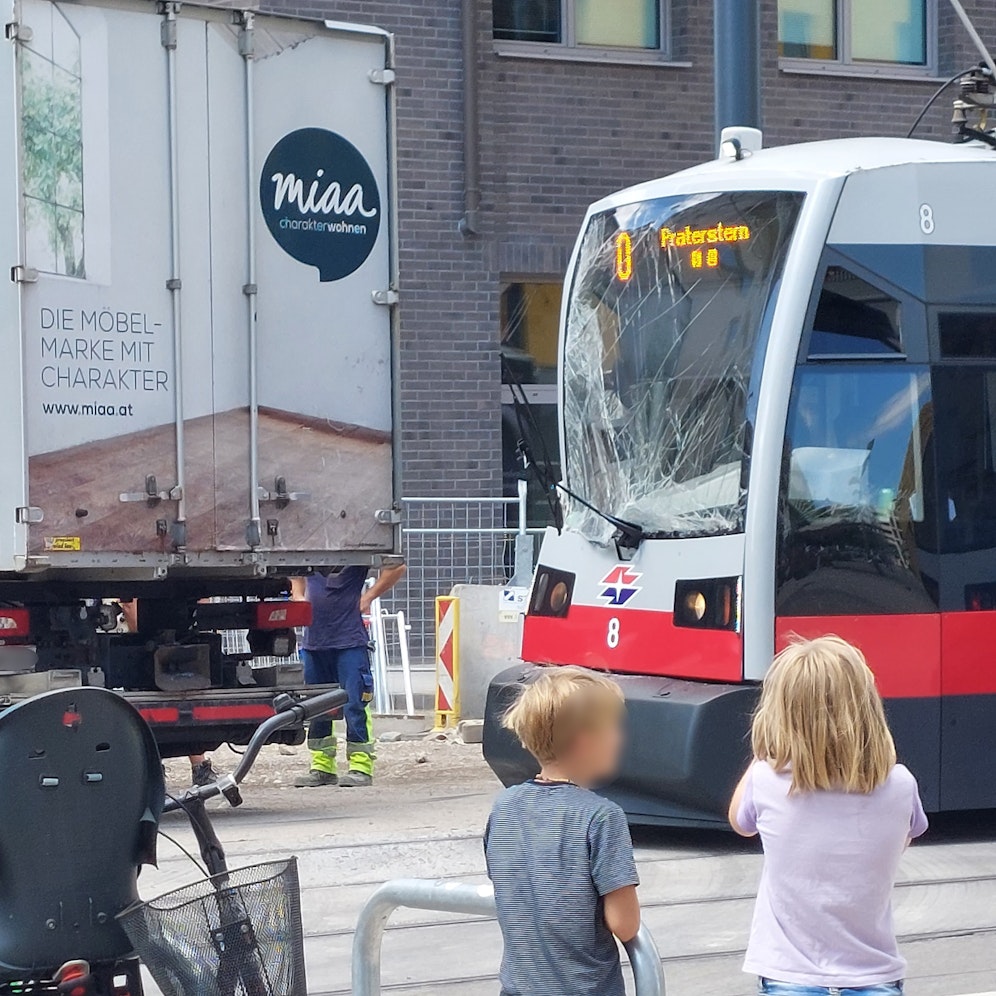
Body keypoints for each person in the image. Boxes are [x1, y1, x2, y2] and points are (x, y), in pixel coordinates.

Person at [729, 635, 929, 996]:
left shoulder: (765, 780)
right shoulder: (900, 784)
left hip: (789, 973)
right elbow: (904, 837)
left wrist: (765, 753)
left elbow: (739, 822)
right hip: (874, 973)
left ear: (781, 713)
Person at [484, 666, 641, 996]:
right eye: (614, 728)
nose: (620, 738)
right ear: (585, 741)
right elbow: (624, 924)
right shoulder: (601, 817)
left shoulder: (505, 806)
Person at [291, 564, 405, 788]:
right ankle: (322, 766)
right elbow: (295, 571)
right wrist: (297, 593)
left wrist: (368, 597)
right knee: (317, 705)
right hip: (315, 642)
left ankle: (360, 766)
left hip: (349, 642)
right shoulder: (311, 552)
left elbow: (397, 566)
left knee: (355, 703)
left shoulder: (352, 551)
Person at [116, 598, 219, 787]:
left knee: (147, 708)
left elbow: (129, 606)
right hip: (180, 630)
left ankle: (154, 770)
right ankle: (199, 768)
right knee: (187, 699)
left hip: (145, 640)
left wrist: (139, 638)